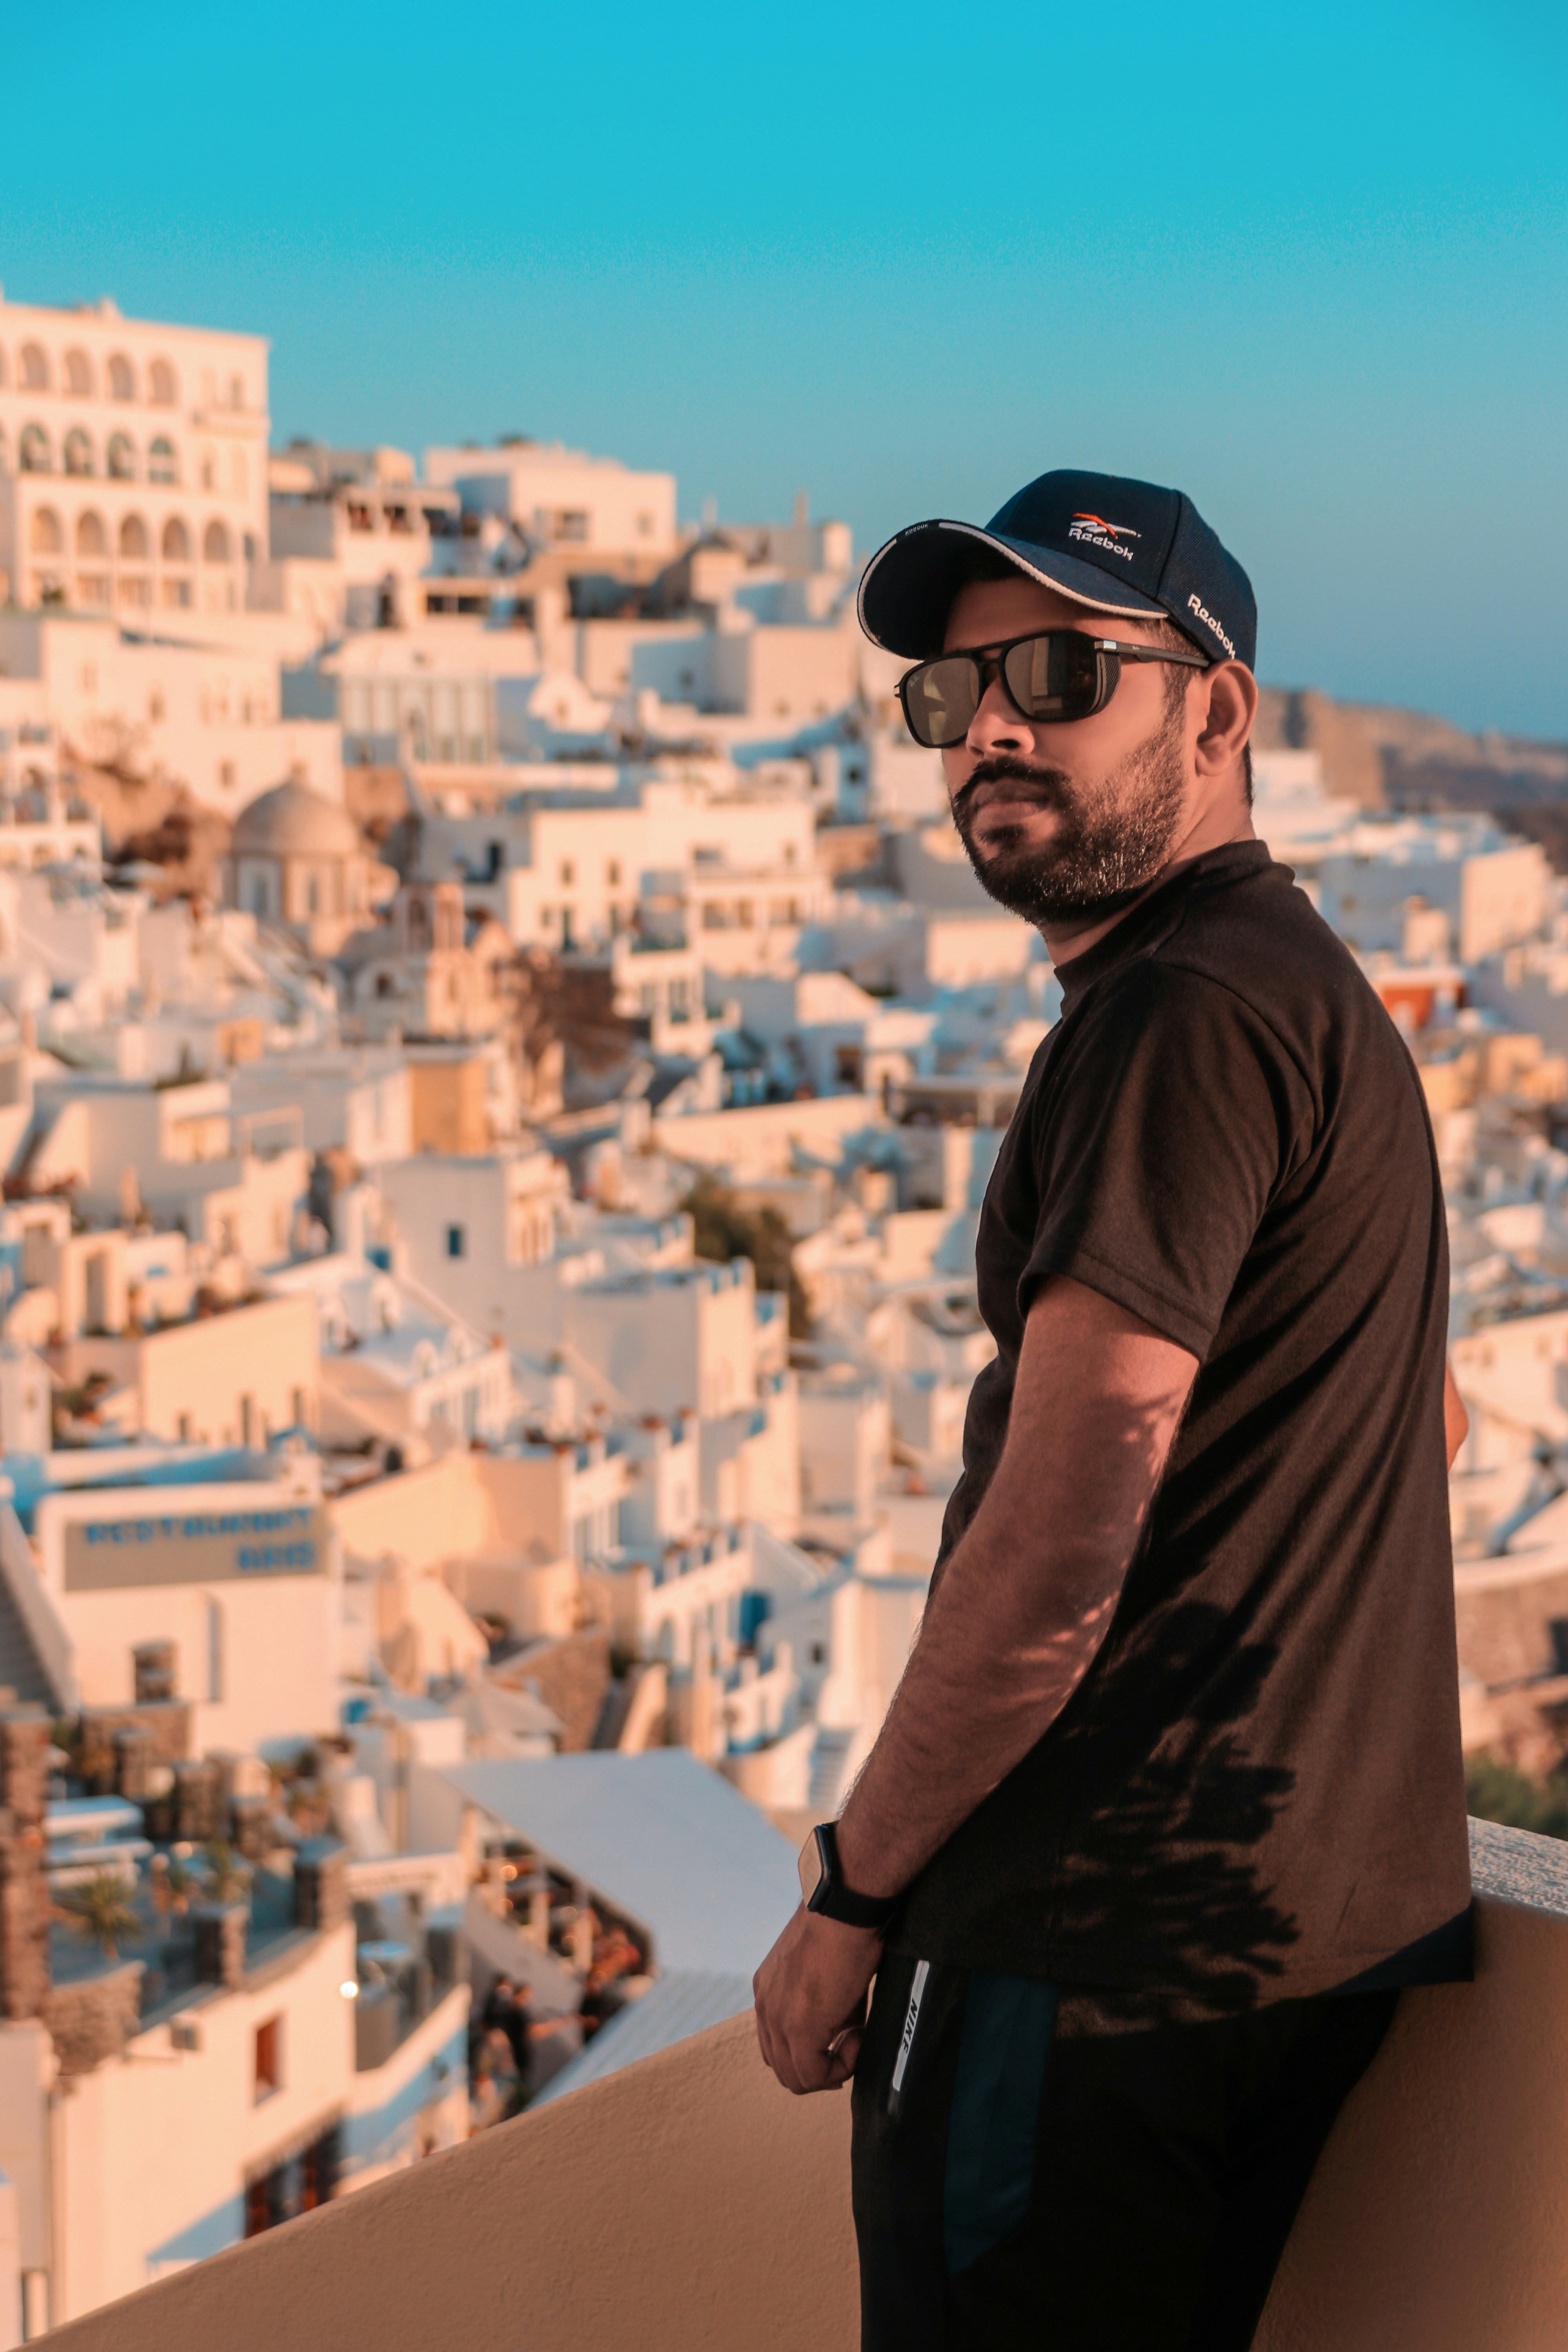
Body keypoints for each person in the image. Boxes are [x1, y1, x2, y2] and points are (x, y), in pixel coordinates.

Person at [752, 469, 1473, 2351]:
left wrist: (854, 1886)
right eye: (950, 694)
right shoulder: (1304, 995)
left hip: (1077, 1947)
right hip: (1283, 1938)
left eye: (1064, 671)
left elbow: (1068, 1527)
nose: (988, 723)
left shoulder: (1171, 1022)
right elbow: (1427, 1421)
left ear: (1217, 714)